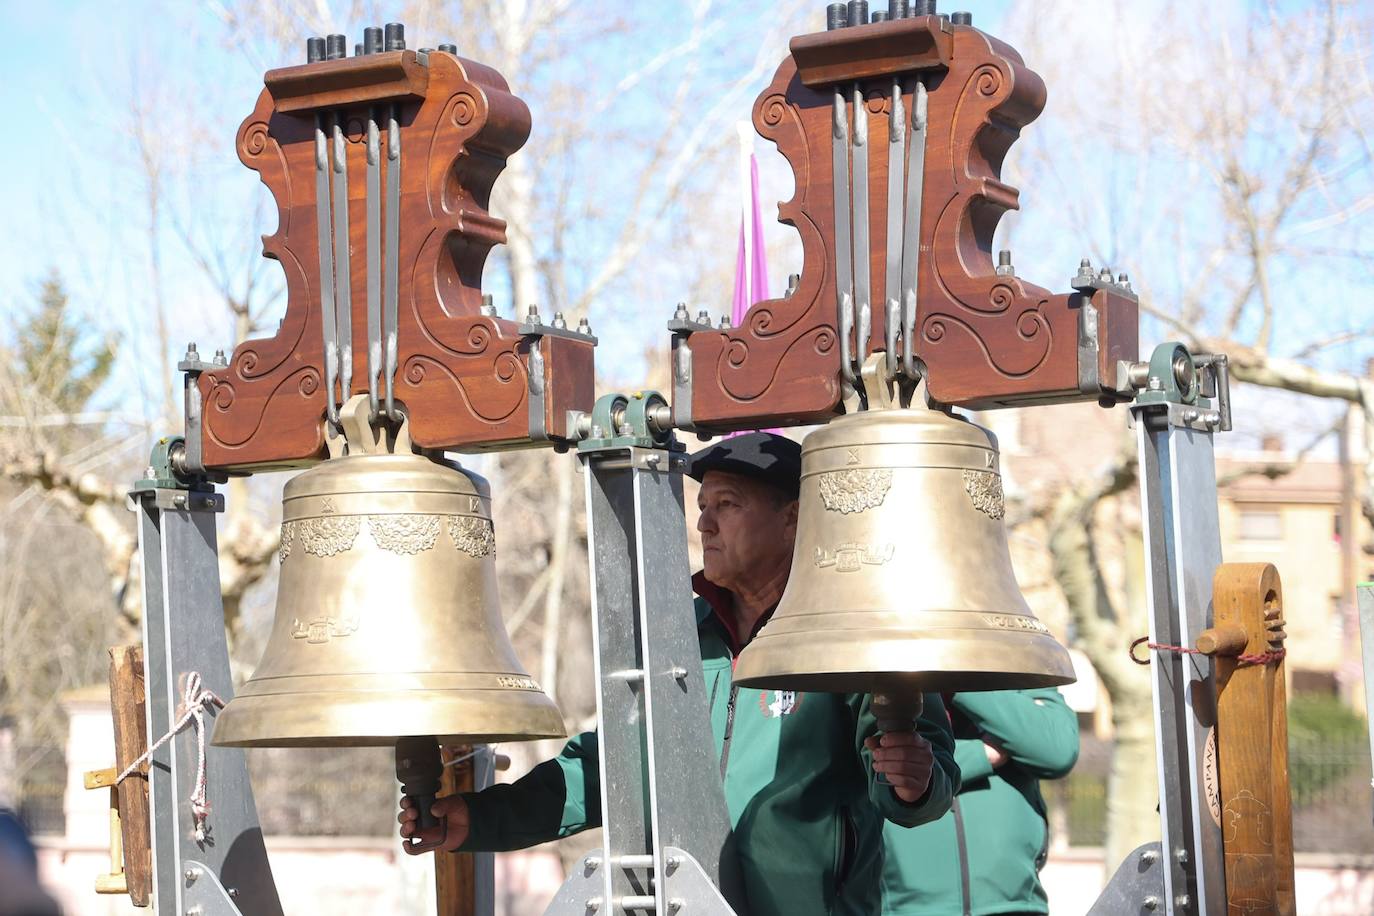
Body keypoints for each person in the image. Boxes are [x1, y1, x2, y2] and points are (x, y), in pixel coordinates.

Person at [400, 432, 960, 916]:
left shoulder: (847, 636)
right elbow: (609, 768)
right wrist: (478, 820)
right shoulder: (678, 637)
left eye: (728, 505)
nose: (705, 522)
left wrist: (913, 783)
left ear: (792, 519)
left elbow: (918, 776)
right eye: (702, 504)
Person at [880, 688, 1079, 916]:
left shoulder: (1013, 669)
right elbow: (887, 765)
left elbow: (1057, 748)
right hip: (907, 907)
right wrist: (982, 753)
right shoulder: (888, 676)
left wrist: (962, 681)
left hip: (1017, 905)